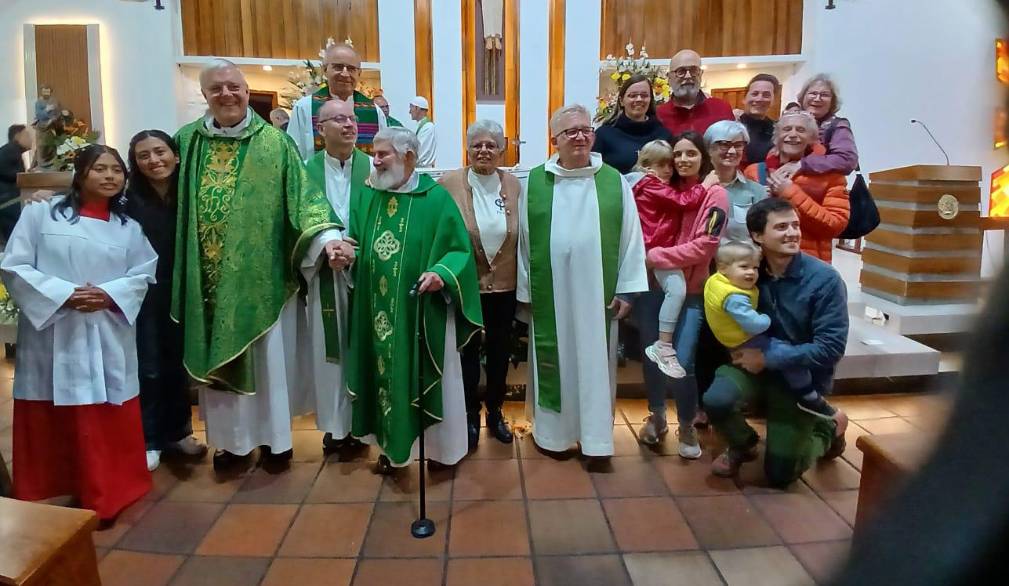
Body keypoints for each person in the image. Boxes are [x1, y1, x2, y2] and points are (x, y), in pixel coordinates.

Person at [172, 59, 352, 470]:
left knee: (270, 364)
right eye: (216, 88)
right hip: (208, 282)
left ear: (246, 90)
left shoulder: (275, 144)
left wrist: (327, 241)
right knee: (220, 362)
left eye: (233, 87)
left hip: (263, 278)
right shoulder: (185, 143)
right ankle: (231, 445)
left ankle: (275, 441)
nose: (226, 95)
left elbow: (305, 201)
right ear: (204, 95)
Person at [2, 144, 157, 522]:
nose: (109, 177)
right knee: (58, 410)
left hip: (107, 328)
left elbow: (144, 273)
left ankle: (107, 492)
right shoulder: (42, 215)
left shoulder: (129, 227)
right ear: (80, 173)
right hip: (56, 329)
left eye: (116, 170)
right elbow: (14, 264)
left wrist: (107, 294)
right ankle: (60, 485)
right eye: (99, 169)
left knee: (105, 411)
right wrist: (65, 295)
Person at [346, 127, 482, 473]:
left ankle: (441, 451)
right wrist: (345, 253)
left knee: (428, 375)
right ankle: (393, 451)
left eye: (382, 154)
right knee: (382, 376)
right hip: (376, 310)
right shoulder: (367, 196)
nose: (374, 161)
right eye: (373, 153)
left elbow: (458, 251)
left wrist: (441, 273)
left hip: (422, 311)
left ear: (409, 157)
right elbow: (357, 242)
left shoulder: (434, 198)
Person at [517, 104, 648, 459]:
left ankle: (595, 440)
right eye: (570, 132)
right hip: (552, 295)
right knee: (554, 358)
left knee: (595, 360)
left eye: (585, 130)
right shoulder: (534, 183)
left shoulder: (613, 181)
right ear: (554, 140)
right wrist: (527, 292)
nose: (579, 137)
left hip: (598, 295)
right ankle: (553, 437)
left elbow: (631, 238)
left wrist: (626, 288)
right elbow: (525, 243)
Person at [703, 198, 848, 485]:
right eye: (781, 227)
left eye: (795, 225)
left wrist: (769, 359)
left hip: (798, 377)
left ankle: (829, 428)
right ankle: (744, 445)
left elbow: (831, 348)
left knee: (781, 475)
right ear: (757, 236)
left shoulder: (825, 280)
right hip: (752, 365)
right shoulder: (746, 272)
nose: (793, 233)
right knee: (716, 400)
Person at [634, 131, 727, 454]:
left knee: (682, 362)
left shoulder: (714, 195)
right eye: (678, 155)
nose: (683, 160)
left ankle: (686, 425)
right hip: (654, 287)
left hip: (688, 291)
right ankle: (657, 417)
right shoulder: (664, 187)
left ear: (704, 158)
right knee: (652, 359)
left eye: (691, 154)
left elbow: (706, 246)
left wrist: (656, 257)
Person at [126, 130, 207, 472]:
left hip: (184, 288)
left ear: (176, 155)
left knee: (178, 363)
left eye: (160, 152)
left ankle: (180, 432)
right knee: (149, 366)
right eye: (144, 155)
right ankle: (150, 438)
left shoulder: (191, 195)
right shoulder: (127, 202)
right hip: (145, 293)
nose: (154, 160)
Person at [439, 120, 520, 450]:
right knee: (467, 354)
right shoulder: (449, 184)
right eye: (477, 145)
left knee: (501, 354)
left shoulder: (514, 185)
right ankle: (469, 416)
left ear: (501, 151)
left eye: (491, 145)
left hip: (505, 286)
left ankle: (496, 412)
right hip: (466, 286)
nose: (484, 150)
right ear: (468, 149)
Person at [704, 241, 843, 420]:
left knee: (784, 448)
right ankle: (808, 396)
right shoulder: (734, 295)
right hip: (751, 343)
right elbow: (755, 324)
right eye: (744, 267)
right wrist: (765, 319)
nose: (751, 272)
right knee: (786, 358)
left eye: (754, 267)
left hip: (752, 347)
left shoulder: (718, 282)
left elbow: (831, 347)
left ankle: (826, 425)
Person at [303, 98, 373, 451]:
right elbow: (296, 222)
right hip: (324, 276)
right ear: (320, 128)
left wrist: (355, 250)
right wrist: (324, 249)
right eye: (339, 119)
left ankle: (364, 423)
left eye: (352, 119)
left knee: (366, 348)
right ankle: (336, 427)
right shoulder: (305, 172)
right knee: (330, 353)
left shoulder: (376, 169)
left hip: (369, 274)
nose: (349, 124)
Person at [626, 139, 715, 379]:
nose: (670, 169)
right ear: (647, 165)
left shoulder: (645, 184)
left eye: (669, 164)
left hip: (655, 248)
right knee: (676, 290)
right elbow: (684, 201)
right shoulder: (650, 184)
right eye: (663, 164)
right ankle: (663, 345)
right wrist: (706, 184)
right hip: (655, 248)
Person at [744, 109, 850, 263]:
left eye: (801, 130)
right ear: (776, 137)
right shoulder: (754, 172)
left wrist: (790, 192)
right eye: (787, 129)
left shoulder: (831, 176)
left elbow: (835, 225)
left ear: (812, 138)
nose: (793, 134)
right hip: (761, 265)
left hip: (806, 267)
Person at [288, 43, 396, 159]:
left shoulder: (375, 111)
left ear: (359, 73)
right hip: (316, 176)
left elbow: (383, 153)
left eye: (351, 69)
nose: (345, 74)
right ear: (325, 70)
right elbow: (293, 153)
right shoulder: (305, 108)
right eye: (338, 67)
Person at [592, 74, 673, 174]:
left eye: (644, 95)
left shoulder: (664, 135)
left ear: (650, 100)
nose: (639, 99)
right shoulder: (603, 135)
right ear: (621, 101)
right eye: (633, 95)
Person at [704, 121, 767, 243]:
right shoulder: (697, 189)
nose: (732, 151)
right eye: (724, 144)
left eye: (738, 145)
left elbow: (762, 238)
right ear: (708, 148)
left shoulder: (757, 192)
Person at [656, 50, 735, 136]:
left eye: (693, 70)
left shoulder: (721, 109)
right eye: (681, 71)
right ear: (669, 78)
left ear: (701, 74)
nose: (688, 76)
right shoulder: (659, 115)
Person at [797, 73, 859, 175]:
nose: (817, 99)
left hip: (825, 188)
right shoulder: (791, 121)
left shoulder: (838, 126)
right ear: (803, 97)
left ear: (832, 101)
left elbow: (847, 160)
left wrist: (802, 164)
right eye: (813, 93)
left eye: (824, 95)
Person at [737, 74, 779, 166]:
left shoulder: (778, 130)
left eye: (766, 95)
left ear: (773, 101)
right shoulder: (732, 125)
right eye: (755, 94)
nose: (760, 99)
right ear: (744, 99)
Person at [0, 125, 32, 240]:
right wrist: (21, 176)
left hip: (8, 201)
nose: (31, 139)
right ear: (17, 136)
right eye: (27, 135)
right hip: (8, 202)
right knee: (15, 239)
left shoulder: (12, 150)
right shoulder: (11, 149)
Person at [409, 96, 437, 167]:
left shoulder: (428, 127)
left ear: (417, 108)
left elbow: (421, 153)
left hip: (424, 171)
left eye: (411, 107)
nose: (409, 112)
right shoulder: (419, 125)